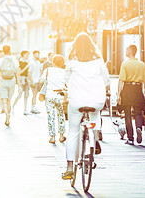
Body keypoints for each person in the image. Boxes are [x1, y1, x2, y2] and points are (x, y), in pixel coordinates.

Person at [62, 32, 109, 180]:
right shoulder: (98, 60)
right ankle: (94, 137)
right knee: (95, 115)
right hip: (96, 101)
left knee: (73, 132)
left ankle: (70, 167)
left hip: (77, 101)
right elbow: (106, 80)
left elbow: (65, 79)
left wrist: (65, 89)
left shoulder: (71, 61)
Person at [118, 44, 145, 145]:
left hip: (127, 89)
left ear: (131, 51)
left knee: (127, 114)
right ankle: (139, 128)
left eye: (127, 49)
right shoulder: (142, 64)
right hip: (137, 89)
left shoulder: (125, 64)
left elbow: (121, 81)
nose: (125, 51)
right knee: (138, 112)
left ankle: (130, 138)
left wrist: (119, 95)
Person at [40, 54, 66, 144]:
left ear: (53, 62)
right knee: (61, 116)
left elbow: (41, 80)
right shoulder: (65, 72)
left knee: (50, 116)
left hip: (49, 95)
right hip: (61, 96)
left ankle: (52, 137)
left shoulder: (48, 70)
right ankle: (61, 136)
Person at [0, 45, 20, 126]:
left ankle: (6, 113)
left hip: (3, 80)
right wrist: (19, 86)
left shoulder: (0, 60)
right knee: (9, 100)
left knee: (4, 100)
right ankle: (8, 115)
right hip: (12, 81)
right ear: (10, 50)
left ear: (3, 51)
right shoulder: (15, 60)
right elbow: (17, 74)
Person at [13, 51, 31, 115]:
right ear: (23, 55)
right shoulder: (19, 63)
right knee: (19, 95)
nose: (28, 56)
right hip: (21, 79)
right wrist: (26, 67)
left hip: (26, 80)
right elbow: (19, 73)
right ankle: (13, 106)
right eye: (27, 54)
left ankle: (25, 110)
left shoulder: (27, 63)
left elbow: (28, 73)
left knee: (26, 95)